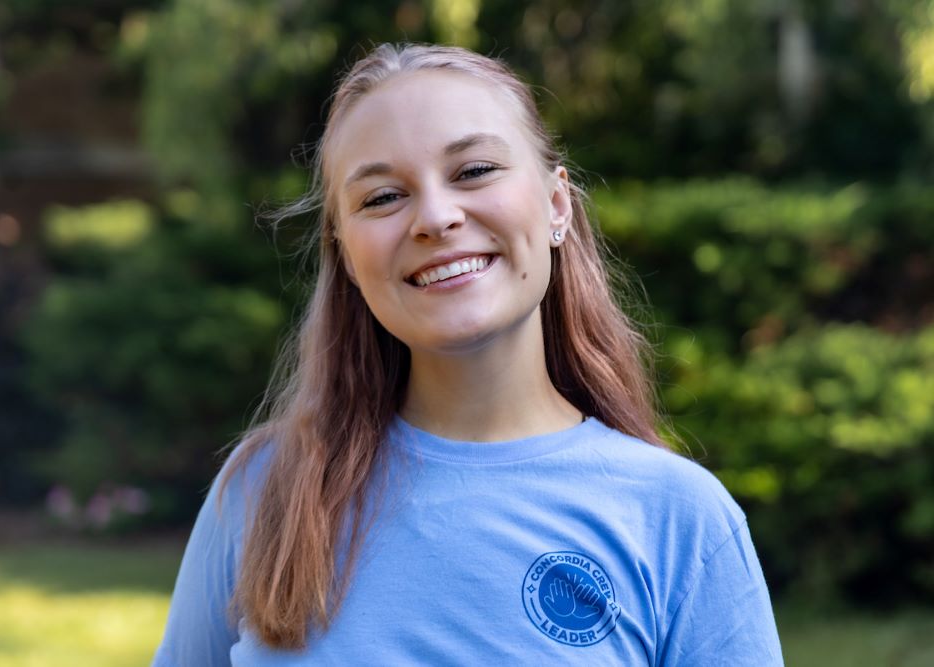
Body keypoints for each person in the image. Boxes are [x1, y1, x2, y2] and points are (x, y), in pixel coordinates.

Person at [153, 43, 784, 665]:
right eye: (381, 197)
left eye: (474, 170)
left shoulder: (678, 517)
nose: (434, 216)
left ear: (557, 204)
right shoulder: (264, 490)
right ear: (345, 252)